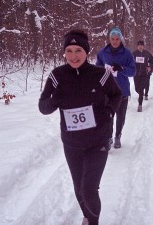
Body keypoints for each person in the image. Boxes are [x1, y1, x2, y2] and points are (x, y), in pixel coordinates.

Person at [38, 29, 122, 225]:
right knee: (78, 188)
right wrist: (53, 101)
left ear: (87, 52)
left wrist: (109, 112)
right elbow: (43, 107)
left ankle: (93, 222)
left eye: (78, 50)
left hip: (98, 141)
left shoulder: (100, 75)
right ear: (64, 52)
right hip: (72, 144)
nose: (73, 56)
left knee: (88, 188)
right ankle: (88, 215)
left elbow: (117, 95)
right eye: (69, 51)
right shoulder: (57, 76)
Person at [96, 27, 136, 149]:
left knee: (120, 117)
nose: (114, 41)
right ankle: (109, 138)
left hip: (122, 90)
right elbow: (97, 67)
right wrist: (102, 70)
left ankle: (118, 135)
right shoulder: (103, 52)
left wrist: (122, 69)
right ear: (109, 39)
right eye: (112, 38)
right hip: (107, 91)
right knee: (108, 116)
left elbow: (133, 71)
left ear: (120, 39)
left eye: (117, 39)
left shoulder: (127, 53)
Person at [132, 40, 153, 112]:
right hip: (136, 74)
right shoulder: (134, 54)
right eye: (139, 45)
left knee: (141, 89)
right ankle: (141, 94)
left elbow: (152, 64)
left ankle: (140, 105)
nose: (140, 47)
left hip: (144, 75)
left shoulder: (147, 54)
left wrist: (150, 67)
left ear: (143, 46)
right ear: (137, 46)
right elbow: (130, 63)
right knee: (137, 89)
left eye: (142, 45)